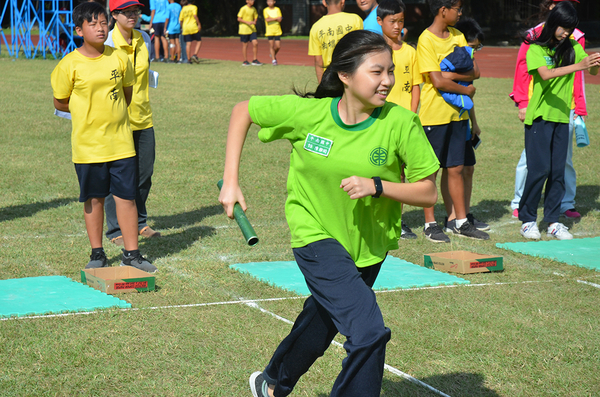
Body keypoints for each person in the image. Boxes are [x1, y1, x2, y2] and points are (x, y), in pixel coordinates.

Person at [219, 30, 439, 397]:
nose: (387, 81)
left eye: (390, 72)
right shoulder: (311, 114)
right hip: (316, 235)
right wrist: (231, 181)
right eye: (376, 72)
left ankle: (272, 383)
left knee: (322, 320)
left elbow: (428, 190)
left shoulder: (401, 123)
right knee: (368, 329)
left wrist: (378, 186)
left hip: (369, 242)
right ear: (345, 75)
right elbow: (243, 110)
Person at [51, 1, 156, 273]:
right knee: (94, 199)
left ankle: (132, 254)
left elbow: (127, 93)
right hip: (88, 146)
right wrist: (87, 110)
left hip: (120, 143)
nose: (100, 28)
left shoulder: (119, 58)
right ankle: (97, 252)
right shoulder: (68, 64)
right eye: (92, 23)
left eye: (102, 22)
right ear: (78, 30)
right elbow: (61, 101)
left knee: (126, 197)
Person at [517, 1, 599, 240]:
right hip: (540, 117)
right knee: (538, 170)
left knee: (557, 172)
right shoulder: (536, 48)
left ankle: (553, 221)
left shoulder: (572, 45)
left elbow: (589, 70)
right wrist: (579, 65)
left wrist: (593, 64)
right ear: (553, 23)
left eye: (570, 28)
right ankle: (527, 220)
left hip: (563, 117)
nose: (566, 33)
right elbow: (545, 74)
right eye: (562, 27)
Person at [416, 0, 489, 242]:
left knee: (456, 167)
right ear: (442, 10)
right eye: (457, 8)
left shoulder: (458, 36)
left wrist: (449, 75)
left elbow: (475, 71)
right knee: (430, 170)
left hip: (457, 115)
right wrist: (463, 88)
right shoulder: (426, 39)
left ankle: (459, 221)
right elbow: (436, 82)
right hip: (433, 116)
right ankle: (430, 224)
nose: (460, 12)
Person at [104, 0, 161, 250]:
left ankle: (139, 221)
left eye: (136, 11)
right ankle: (115, 228)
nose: (133, 16)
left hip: (143, 118)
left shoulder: (144, 39)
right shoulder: (106, 43)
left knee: (144, 174)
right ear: (114, 15)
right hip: (117, 120)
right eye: (126, 12)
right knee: (117, 176)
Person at [377, 0, 421, 240]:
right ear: (380, 21)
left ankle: (398, 220)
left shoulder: (410, 51)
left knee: (401, 175)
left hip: (403, 121)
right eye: (392, 21)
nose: (397, 26)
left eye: (401, 21)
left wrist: (412, 115)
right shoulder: (376, 51)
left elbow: (415, 86)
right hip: (380, 118)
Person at [443, 17, 490, 232]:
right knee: (452, 169)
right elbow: (474, 74)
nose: (475, 52)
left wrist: (475, 122)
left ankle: (465, 214)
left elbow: (469, 94)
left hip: (464, 122)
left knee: (468, 168)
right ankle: (451, 217)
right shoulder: (454, 61)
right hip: (446, 121)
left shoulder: (466, 62)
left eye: (478, 47)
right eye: (473, 46)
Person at [308, 0, 363, 83]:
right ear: (343, 1)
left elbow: (318, 61)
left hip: (331, 78)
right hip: (353, 74)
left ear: (324, 2)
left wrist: (321, 85)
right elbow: (362, 50)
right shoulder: (355, 19)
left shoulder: (316, 27)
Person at [238, 0, 262, 66]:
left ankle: (255, 60)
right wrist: (247, 22)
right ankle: (245, 61)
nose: (253, 1)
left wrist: (255, 21)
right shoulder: (243, 8)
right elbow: (239, 18)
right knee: (245, 45)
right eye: (251, 0)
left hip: (252, 29)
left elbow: (255, 16)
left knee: (255, 43)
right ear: (247, 1)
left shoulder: (254, 9)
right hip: (244, 29)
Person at [264, 0, 282, 66]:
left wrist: (272, 18)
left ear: (274, 2)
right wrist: (276, 18)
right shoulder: (265, 10)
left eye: (271, 1)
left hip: (277, 30)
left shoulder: (277, 9)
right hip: (269, 30)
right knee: (271, 45)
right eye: (268, 1)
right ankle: (274, 60)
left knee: (278, 46)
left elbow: (280, 19)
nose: (269, 3)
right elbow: (267, 20)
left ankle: (272, 54)